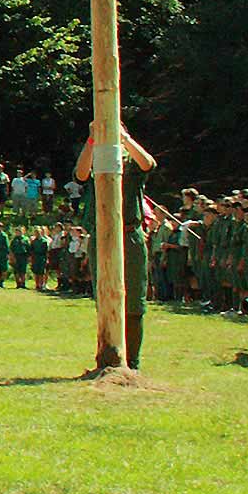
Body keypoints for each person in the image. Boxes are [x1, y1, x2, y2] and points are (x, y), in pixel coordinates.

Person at [75, 124, 158, 370]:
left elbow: (148, 163)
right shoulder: (98, 161)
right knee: (104, 299)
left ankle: (132, 363)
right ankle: (108, 357)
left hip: (130, 236)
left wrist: (126, 139)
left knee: (134, 301)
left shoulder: (130, 164)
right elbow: (80, 174)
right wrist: (91, 139)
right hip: (101, 237)